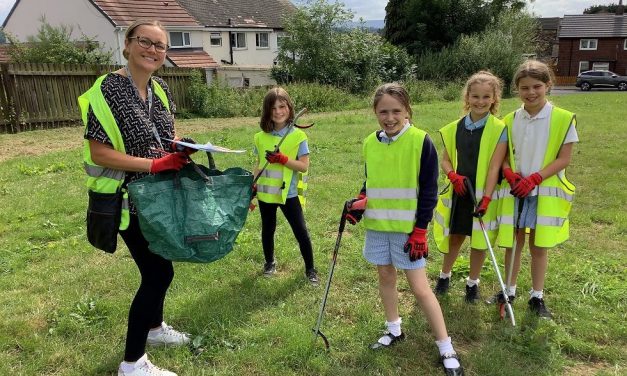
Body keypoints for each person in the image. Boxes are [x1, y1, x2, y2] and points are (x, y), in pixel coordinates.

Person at [81, 20, 195, 376]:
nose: (154, 50)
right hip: (126, 200)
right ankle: (132, 363)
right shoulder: (108, 90)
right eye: (146, 42)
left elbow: (167, 136)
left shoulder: (160, 89)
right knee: (158, 273)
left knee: (160, 263)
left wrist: (181, 147)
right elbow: (99, 153)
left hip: (157, 197)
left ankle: (155, 329)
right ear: (127, 45)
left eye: (161, 46)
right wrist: (154, 164)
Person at [346, 83, 463, 375]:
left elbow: (428, 192)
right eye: (383, 111)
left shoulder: (421, 141)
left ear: (407, 110)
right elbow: (371, 182)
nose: (390, 117)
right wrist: (360, 204)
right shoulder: (369, 143)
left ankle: (445, 345)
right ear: (375, 112)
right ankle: (394, 329)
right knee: (385, 275)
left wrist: (421, 230)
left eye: (396, 111)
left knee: (420, 288)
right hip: (378, 226)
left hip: (409, 231)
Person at [493, 60, 578, 319]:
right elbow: (503, 155)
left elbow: (564, 158)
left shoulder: (563, 119)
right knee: (514, 242)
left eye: (537, 86)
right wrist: (508, 172)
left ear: (548, 86)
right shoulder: (509, 120)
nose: (531, 93)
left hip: (543, 193)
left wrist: (536, 178)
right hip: (515, 191)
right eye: (524, 88)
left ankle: (537, 297)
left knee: (538, 245)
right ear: (516, 89)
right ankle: (509, 290)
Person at [432, 71, 508, 303]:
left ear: (494, 99)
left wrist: (486, 198)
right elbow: (445, 159)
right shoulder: (454, 127)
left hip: (484, 194)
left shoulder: (499, 128)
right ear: (467, 97)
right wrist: (452, 175)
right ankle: (445, 276)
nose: (480, 101)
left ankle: (472, 283)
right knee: (455, 235)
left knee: (479, 240)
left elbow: (495, 167)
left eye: (486, 97)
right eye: (475, 96)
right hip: (460, 192)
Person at [252, 87, 318, 285]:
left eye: (282, 106)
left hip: (288, 195)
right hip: (266, 194)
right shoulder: (259, 137)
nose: (278, 112)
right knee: (267, 230)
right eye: (273, 108)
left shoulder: (298, 137)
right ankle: (269, 262)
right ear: (266, 111)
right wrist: (252, 188)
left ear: (289, 107)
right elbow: (257, 167)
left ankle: (310, 269)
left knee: (301, 231)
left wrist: (282, 159)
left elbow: (303, 166)